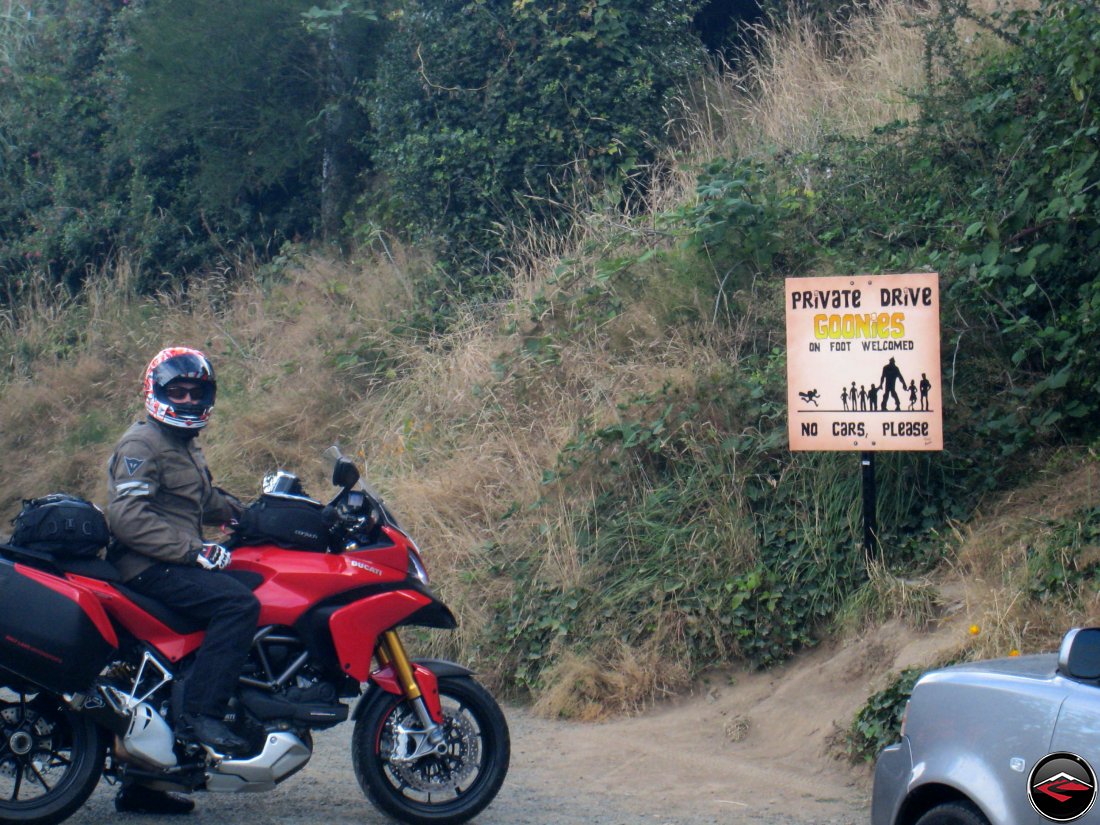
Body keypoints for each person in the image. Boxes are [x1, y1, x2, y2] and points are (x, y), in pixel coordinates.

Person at [107, 347, 260, 815]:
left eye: (197, 391)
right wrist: (196, 551)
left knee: (249, 583)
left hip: (170, 560)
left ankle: (143, 785)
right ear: (156, 392)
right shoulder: (143, 444)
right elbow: (127, 517)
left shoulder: (181, 443)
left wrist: (252, 514)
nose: (189, 398)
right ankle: (201, 716)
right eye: (179, 391)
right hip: (146, 566)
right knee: (238, 606)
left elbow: (200, 499)